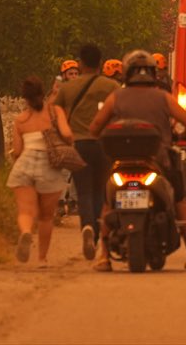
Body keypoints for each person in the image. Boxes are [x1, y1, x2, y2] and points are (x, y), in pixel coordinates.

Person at [90, 49, 186, 271]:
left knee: (108, 203)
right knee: (180, 201)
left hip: (120, 163)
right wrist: (179, 134)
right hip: (159, 161)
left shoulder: (116, 97)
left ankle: (104, 257)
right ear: (154, 74)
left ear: (126, 73)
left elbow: (95, 127)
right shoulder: (163, 98)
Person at [53, 43, 119, 260]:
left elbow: (56, 110)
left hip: (79, 145)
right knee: (101, 191)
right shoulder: (111, 86)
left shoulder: (67, 88)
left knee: (83, 192)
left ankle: (87, 228)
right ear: (100, 63)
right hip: (104, 145)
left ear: (80, 63)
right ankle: (98, 234)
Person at [6, 75, 73, 267]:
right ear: (42, 93)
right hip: (49, 165)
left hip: (25, 164)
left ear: (24, 98)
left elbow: (17, 151)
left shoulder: (20, 120)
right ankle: (42, 258)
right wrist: (68, 142)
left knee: (25, 211)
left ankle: (26, 232)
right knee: (46, 216)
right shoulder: (55, 112)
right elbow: (67, 134)